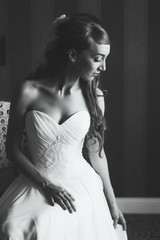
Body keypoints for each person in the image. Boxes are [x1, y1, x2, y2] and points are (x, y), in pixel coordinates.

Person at [0, 13, 127, 240]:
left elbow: (97, 155)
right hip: (37, 181)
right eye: (98, 58)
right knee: (13, 228)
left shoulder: (94, 96)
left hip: (80, 183)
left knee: (51, 219)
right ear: (72, 54)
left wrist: (112, 202)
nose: (104, 67)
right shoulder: (28, 91)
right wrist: (46, 184)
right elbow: (13, 150)